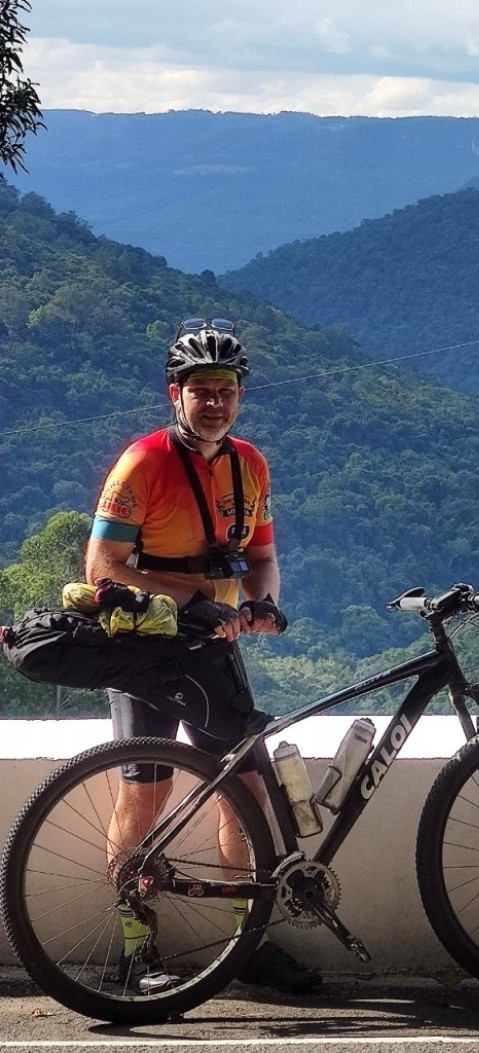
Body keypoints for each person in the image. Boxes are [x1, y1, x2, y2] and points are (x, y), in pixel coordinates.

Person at [85, 318, 320, 995]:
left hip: (215, 649)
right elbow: (103, 565)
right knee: (145, 794)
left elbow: (264, 557)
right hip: (144, 649)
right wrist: (190, 597)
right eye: (200, 390)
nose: (214, 401)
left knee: (244, 790)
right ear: (174, 394)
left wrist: (262, 603)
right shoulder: (143, 463)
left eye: (226, 389)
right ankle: (136, 947)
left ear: (240, 394)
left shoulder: (249, 463)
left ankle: (244, 943)